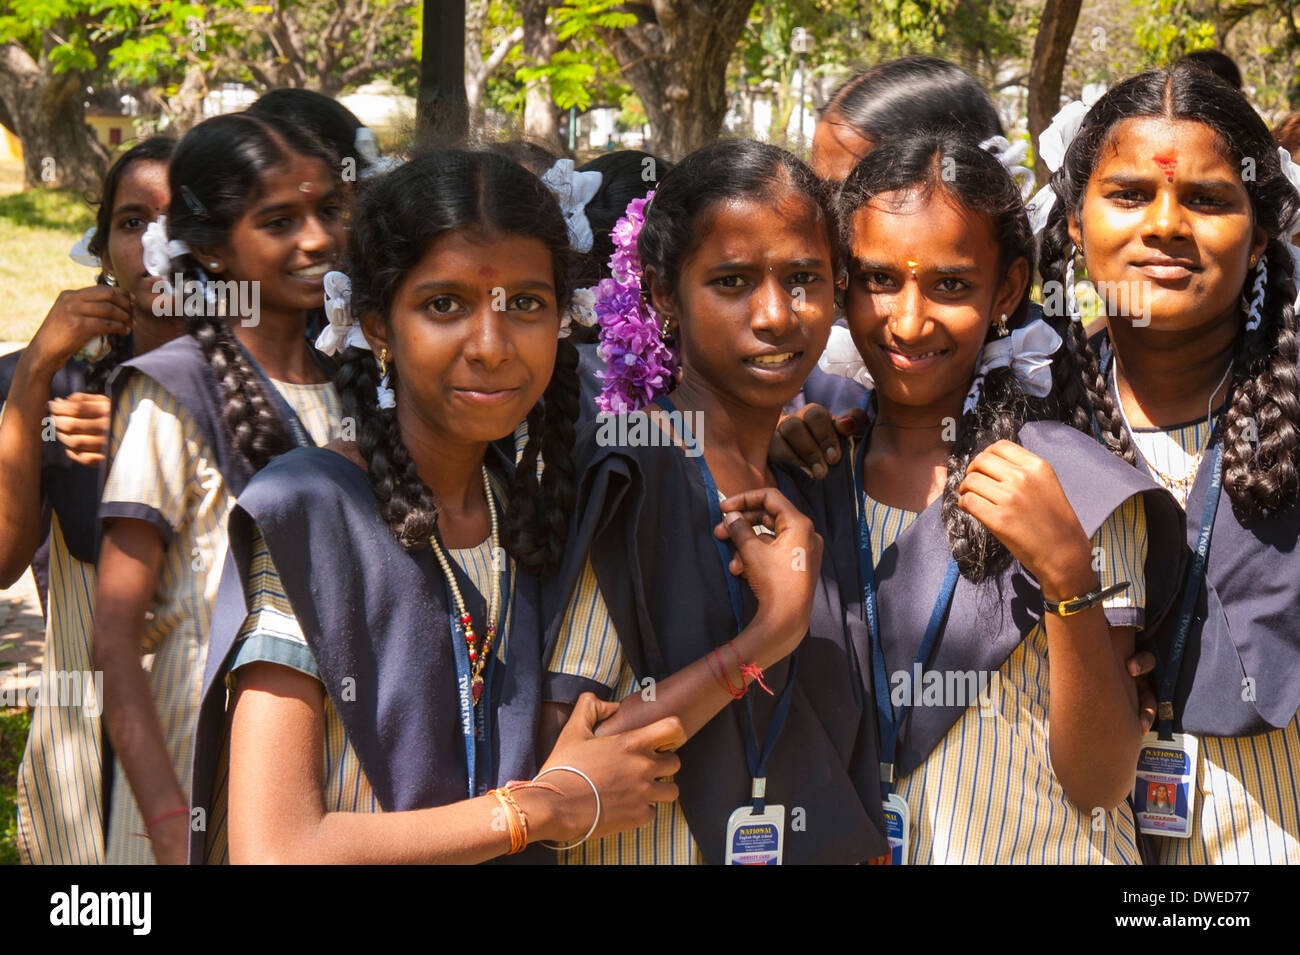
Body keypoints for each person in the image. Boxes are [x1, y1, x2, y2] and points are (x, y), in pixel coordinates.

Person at [190, 149, 683, 863]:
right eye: (444, 304)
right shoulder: (313, 512)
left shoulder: (530, 504)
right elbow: (276, 848)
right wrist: (538, 808)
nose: (490, 345)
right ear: (378, 325)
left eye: (526, 303)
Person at [816, 131, 1184, 863]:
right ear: (839, 284)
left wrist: (1069, 577)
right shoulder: (814, 475)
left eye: (951, 284)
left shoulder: (1073, 487)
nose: (910, 319)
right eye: (879, 279)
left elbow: (1102, 780)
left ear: (1008, 289)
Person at [543, 139, 889, 864]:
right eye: (731, 281)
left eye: (804, 278)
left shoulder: (806, 478)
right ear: (664, 292)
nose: (774, 315)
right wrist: (771, 633)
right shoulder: (633, 466)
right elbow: (574, 759)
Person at [1037, 65, 1300, 864]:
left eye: (1209, 200)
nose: (1165, 224)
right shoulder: (1026, 418)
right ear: (1075, 225)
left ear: (1260, 234)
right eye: (1127, 195)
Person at [93, 112, 347, 864]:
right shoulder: (171, 392)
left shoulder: (360, 386)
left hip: (315, 791)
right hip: (187, 784)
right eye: (280, 220)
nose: (316, 239)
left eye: (327, 209)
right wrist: (171, 822)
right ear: (208, 247)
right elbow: (114, 634)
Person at [0, 136, 179, 864]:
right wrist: (36, 371)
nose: (157, 244)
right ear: (101, 246)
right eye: (133, 222)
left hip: (225, 743)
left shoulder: (271, 385)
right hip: (81, 757)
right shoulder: (52, 381)